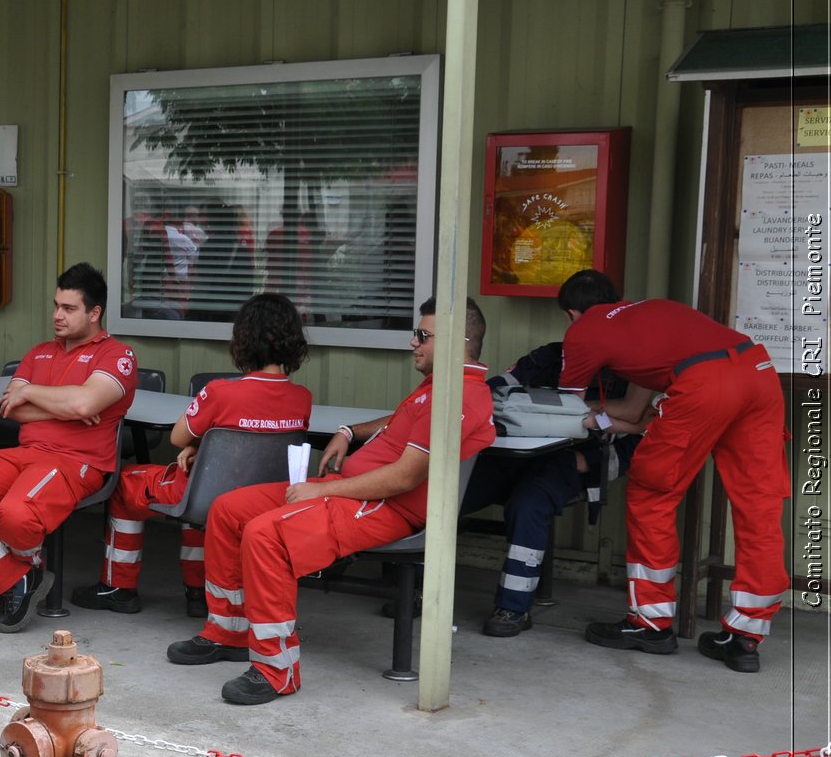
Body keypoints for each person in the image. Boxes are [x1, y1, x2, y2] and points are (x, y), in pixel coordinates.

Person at [165, 297, 495, 705]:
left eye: (423, 336)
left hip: (385, 504)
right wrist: (349, 432)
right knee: (229, 509)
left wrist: (322, 489)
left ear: (456, 343)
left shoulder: (459, 398)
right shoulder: (440, 387)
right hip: (357, 489)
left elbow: (406, 476)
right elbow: (399, 423)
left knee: (266, 535)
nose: (413, 343)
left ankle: (277, 668)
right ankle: (229, 630)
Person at [556, 269, 791, 673]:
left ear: (572, 313)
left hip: (706, 384)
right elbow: (633, 411)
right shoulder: (650, 314)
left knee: (652, 493)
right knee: (759, 504)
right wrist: (609, 416)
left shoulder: (583, 332)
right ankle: (745, 639)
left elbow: (565, 408)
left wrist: (592, 417)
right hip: (757, 371)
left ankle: (650, 624)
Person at [73, 293, 313, 617]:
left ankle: (119, 586)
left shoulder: (218, 391)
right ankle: (196, 591)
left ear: (242, 339)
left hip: (206, 495)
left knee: (126, 484)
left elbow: (177, 437)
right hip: (262, 497)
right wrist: (205, 448)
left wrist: (197, 445)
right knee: (203, 488)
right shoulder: (302, 398)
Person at [0, 263, 139, 632]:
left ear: (95, 313)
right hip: (26, 454)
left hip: (78, 462)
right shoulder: (40, 351)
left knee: (15, 513)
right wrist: (64, 406)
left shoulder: (117, 356)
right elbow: (14, 409)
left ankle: (17, 579)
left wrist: (35, 394)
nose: (57, 315)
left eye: (69, 308)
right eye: (56, 305)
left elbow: (84, 405)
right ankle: (15, 579)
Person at [462, 339, 649, 638]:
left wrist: (587, 460)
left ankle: (513, 607)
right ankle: (417, 588)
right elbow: (494, 391)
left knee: (529, 504)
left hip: (565, 464)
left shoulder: (637, 372)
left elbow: (641, 438)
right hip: (504, 454)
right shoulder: (549, 357)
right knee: (447, 490)